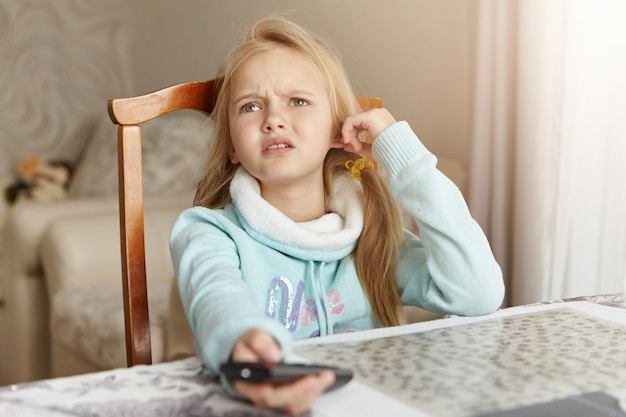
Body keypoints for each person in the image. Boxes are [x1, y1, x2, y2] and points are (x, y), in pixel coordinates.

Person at [169, 16, 504, 416]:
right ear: (233, 148)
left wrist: (407, 159)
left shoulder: (372, 236)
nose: (273, 118)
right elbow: (217, 299)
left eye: (298, 101)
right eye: (251, 106)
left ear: (337, 130)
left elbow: (477, 293)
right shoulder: (208, 233)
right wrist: (247, 344)